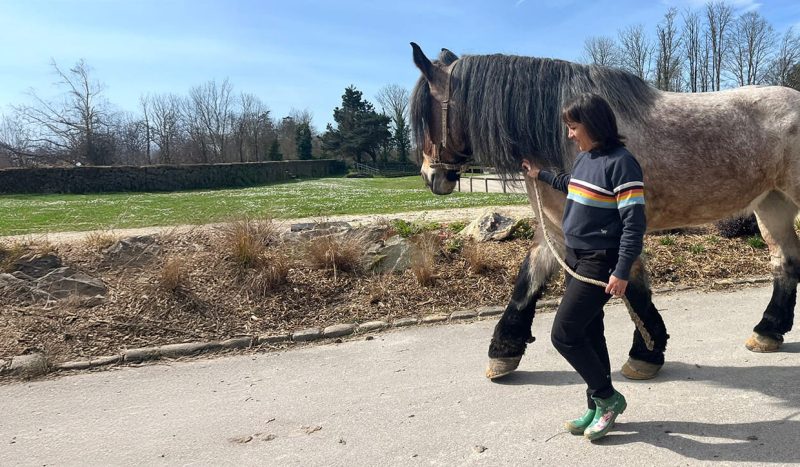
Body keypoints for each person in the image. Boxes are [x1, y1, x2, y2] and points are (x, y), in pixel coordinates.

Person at [522, 92, 646, 441]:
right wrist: (540, 174)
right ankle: (595, 403)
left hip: (599, 261)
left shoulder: (622, 163)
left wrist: (622, 270)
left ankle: (609, 399)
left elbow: (635, 224)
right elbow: (571, 184)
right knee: (590, 332)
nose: (569, 134)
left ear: (591, 125)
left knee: (565, 334)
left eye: (573, 127)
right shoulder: (586, 159)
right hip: (576, 256)